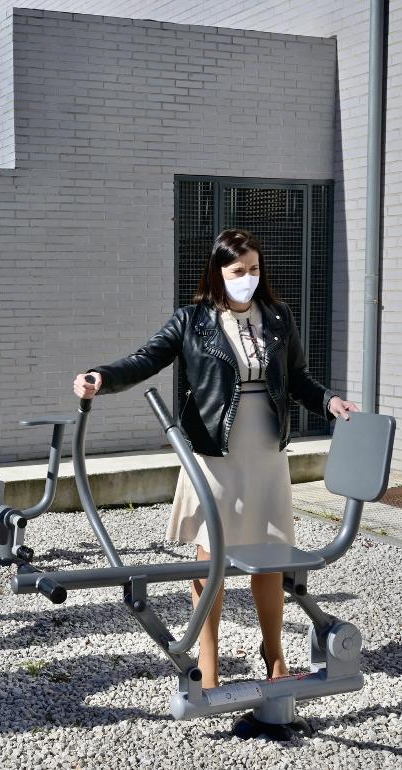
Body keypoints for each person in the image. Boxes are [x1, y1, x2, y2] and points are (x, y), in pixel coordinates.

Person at [73, 228, 358, 689]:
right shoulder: (192, 320)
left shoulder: (280, 317)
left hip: (266, 451)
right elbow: (144, 359)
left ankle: (275, 652)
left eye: (254, 269)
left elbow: (299, 377)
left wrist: (328, 401)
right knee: (213, 560)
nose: (247, 277)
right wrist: (100, 377)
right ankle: (209, 659)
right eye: (237, 270)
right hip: (215, 451)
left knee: (270, 555)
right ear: (218, 272)